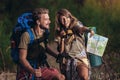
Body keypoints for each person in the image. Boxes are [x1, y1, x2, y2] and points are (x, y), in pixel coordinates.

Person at [17, 8, 65, 80]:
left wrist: (56, 55)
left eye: (48, 19)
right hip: (27, 70)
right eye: (46, 19)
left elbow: (45, 47)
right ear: (38, 22)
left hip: (41, 67)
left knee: (60, 77)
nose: (49, 22)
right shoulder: (26, 35)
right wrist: (32, 71)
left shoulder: (44, 33)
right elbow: (22, 58)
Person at [55, 9, 94, 80]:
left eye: (66, 18)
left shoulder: (76, 25)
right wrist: (62, 38)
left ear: (69, 17)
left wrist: (89, 30)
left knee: (84, 77)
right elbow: (61, 51)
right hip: (67, 61)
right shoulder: (59, 31)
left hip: (80, 58)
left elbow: (81, 29)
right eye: (62, 20)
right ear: (59, 21)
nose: (65, 21)